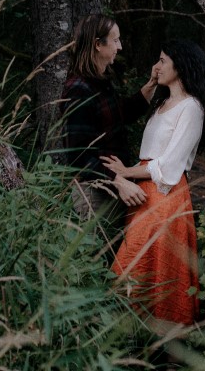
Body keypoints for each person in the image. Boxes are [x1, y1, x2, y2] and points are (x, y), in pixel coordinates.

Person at [102, 39, 205, 332]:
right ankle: (134, 345)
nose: (157, 65)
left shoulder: (191, 108)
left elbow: (168, 167)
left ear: (180, 65)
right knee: (138, 271)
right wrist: (151, 82)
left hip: (165, 197)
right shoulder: (162, 104)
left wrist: (125, 172)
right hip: (144, 197)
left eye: (163, 60)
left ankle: (168, 353)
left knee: (152, 272)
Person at [59, 13, 156, 247]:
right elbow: (78, 156)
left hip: (111, 188)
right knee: (98, 263)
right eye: (115, 40)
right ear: (97, 44)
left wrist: (152, 84)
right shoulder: (78, 89)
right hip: (96, 193)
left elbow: (120, 114)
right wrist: (119, 181)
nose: (119, 46)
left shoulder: (100, 82)